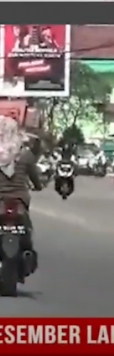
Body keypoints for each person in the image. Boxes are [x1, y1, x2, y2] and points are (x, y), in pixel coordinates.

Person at [0, 116, 42, 277]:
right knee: (26, 231)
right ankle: (26, 253)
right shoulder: (26, 155)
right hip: (19, 201)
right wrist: (38, 186)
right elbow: (35, 178)